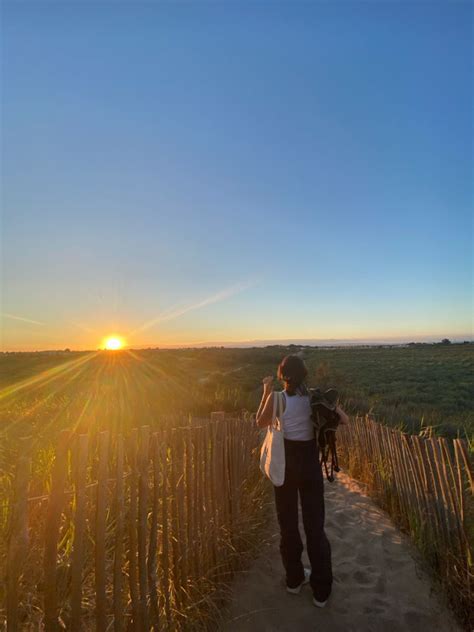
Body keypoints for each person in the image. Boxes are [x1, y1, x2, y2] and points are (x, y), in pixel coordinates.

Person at [255, 354, 349, 607]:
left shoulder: (277, 399)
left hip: (284, 464)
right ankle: (320, 590)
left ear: (282, 376)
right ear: (304, 375)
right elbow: (344, 420)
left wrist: (266, 391)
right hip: (309, 463)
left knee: (287, 523)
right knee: (315, 525)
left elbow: (260, 421)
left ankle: (294, 580)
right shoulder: (314, 398)